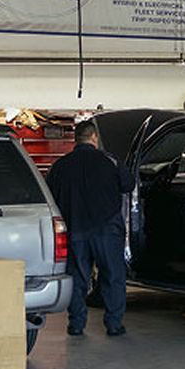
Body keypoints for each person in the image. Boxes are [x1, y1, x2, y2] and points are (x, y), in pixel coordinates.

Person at [45, 120, 133, 337]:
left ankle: (76, 324)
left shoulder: (60, 166)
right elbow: (128, 185)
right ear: (94, 137)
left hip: (75, 228)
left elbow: (49, 196)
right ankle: (114, 324)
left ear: (76, 139)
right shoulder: (110, 161)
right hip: (107, 228)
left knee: (76, 277)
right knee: (113, 275)